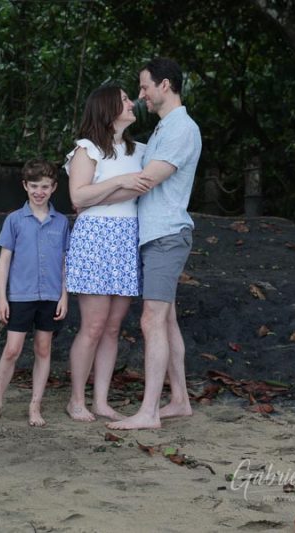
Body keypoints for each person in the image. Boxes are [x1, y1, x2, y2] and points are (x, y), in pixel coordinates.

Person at [107, 58, 202, 430]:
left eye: (145, 87)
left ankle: (149, 412)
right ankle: (179, 400)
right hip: (155, 235)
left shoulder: (182, 129)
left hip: (166, 235)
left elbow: (146, 179)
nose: (141, 94)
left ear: (165, 85)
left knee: (151, 319)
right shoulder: (166, 128)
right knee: (167, 320)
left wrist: (91, 195)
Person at [64, 84, 150, 422]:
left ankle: (100, 400)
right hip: (96, 237)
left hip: (127, 236)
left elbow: (138, 192)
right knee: (94, 325)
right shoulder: (87, 149)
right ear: (107, 108)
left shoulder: (140, 150)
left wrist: (122, 186)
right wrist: (121, 182)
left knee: (113, 327)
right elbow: (79, 199)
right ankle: (76, 400)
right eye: (126, 99)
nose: (132, 103)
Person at [0, 160, 70, 427]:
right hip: (20, 295)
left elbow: (64, 261)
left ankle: (35, 405)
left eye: (45, 186)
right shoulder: (14, 220)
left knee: (43, 347)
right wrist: (1, 297)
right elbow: (4, 260)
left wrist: (64, 295)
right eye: (34, 186)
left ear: (53, 188)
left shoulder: (61, 222)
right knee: (12, 350)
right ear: (25, 186)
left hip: (51, 295)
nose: (39, 191)